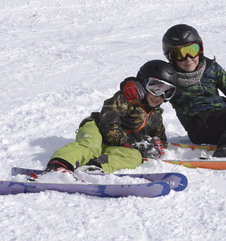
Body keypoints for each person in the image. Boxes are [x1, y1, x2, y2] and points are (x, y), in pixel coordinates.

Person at [120, 24, 226, 158]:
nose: (188, 58)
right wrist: (130, 83)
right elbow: (145, 81)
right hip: (200, 126)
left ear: (200, 49)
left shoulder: (210, 68)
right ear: (170, 57)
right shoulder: (171, 76)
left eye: (192, 50)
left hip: (221, 117)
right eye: (179, 54)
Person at [43, 60, 178, 175]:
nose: (159, 96)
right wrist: (131, 144)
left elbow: (161, 140)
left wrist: (151, 147)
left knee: (135, 156)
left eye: (167, 92)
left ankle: (93, 166)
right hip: (97, 130)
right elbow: (108, 127)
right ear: (143, 83)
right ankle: (58, 165)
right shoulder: (124, 98)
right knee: (91, 146)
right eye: (156, 88)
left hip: (117, 145)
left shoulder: (156, 115)